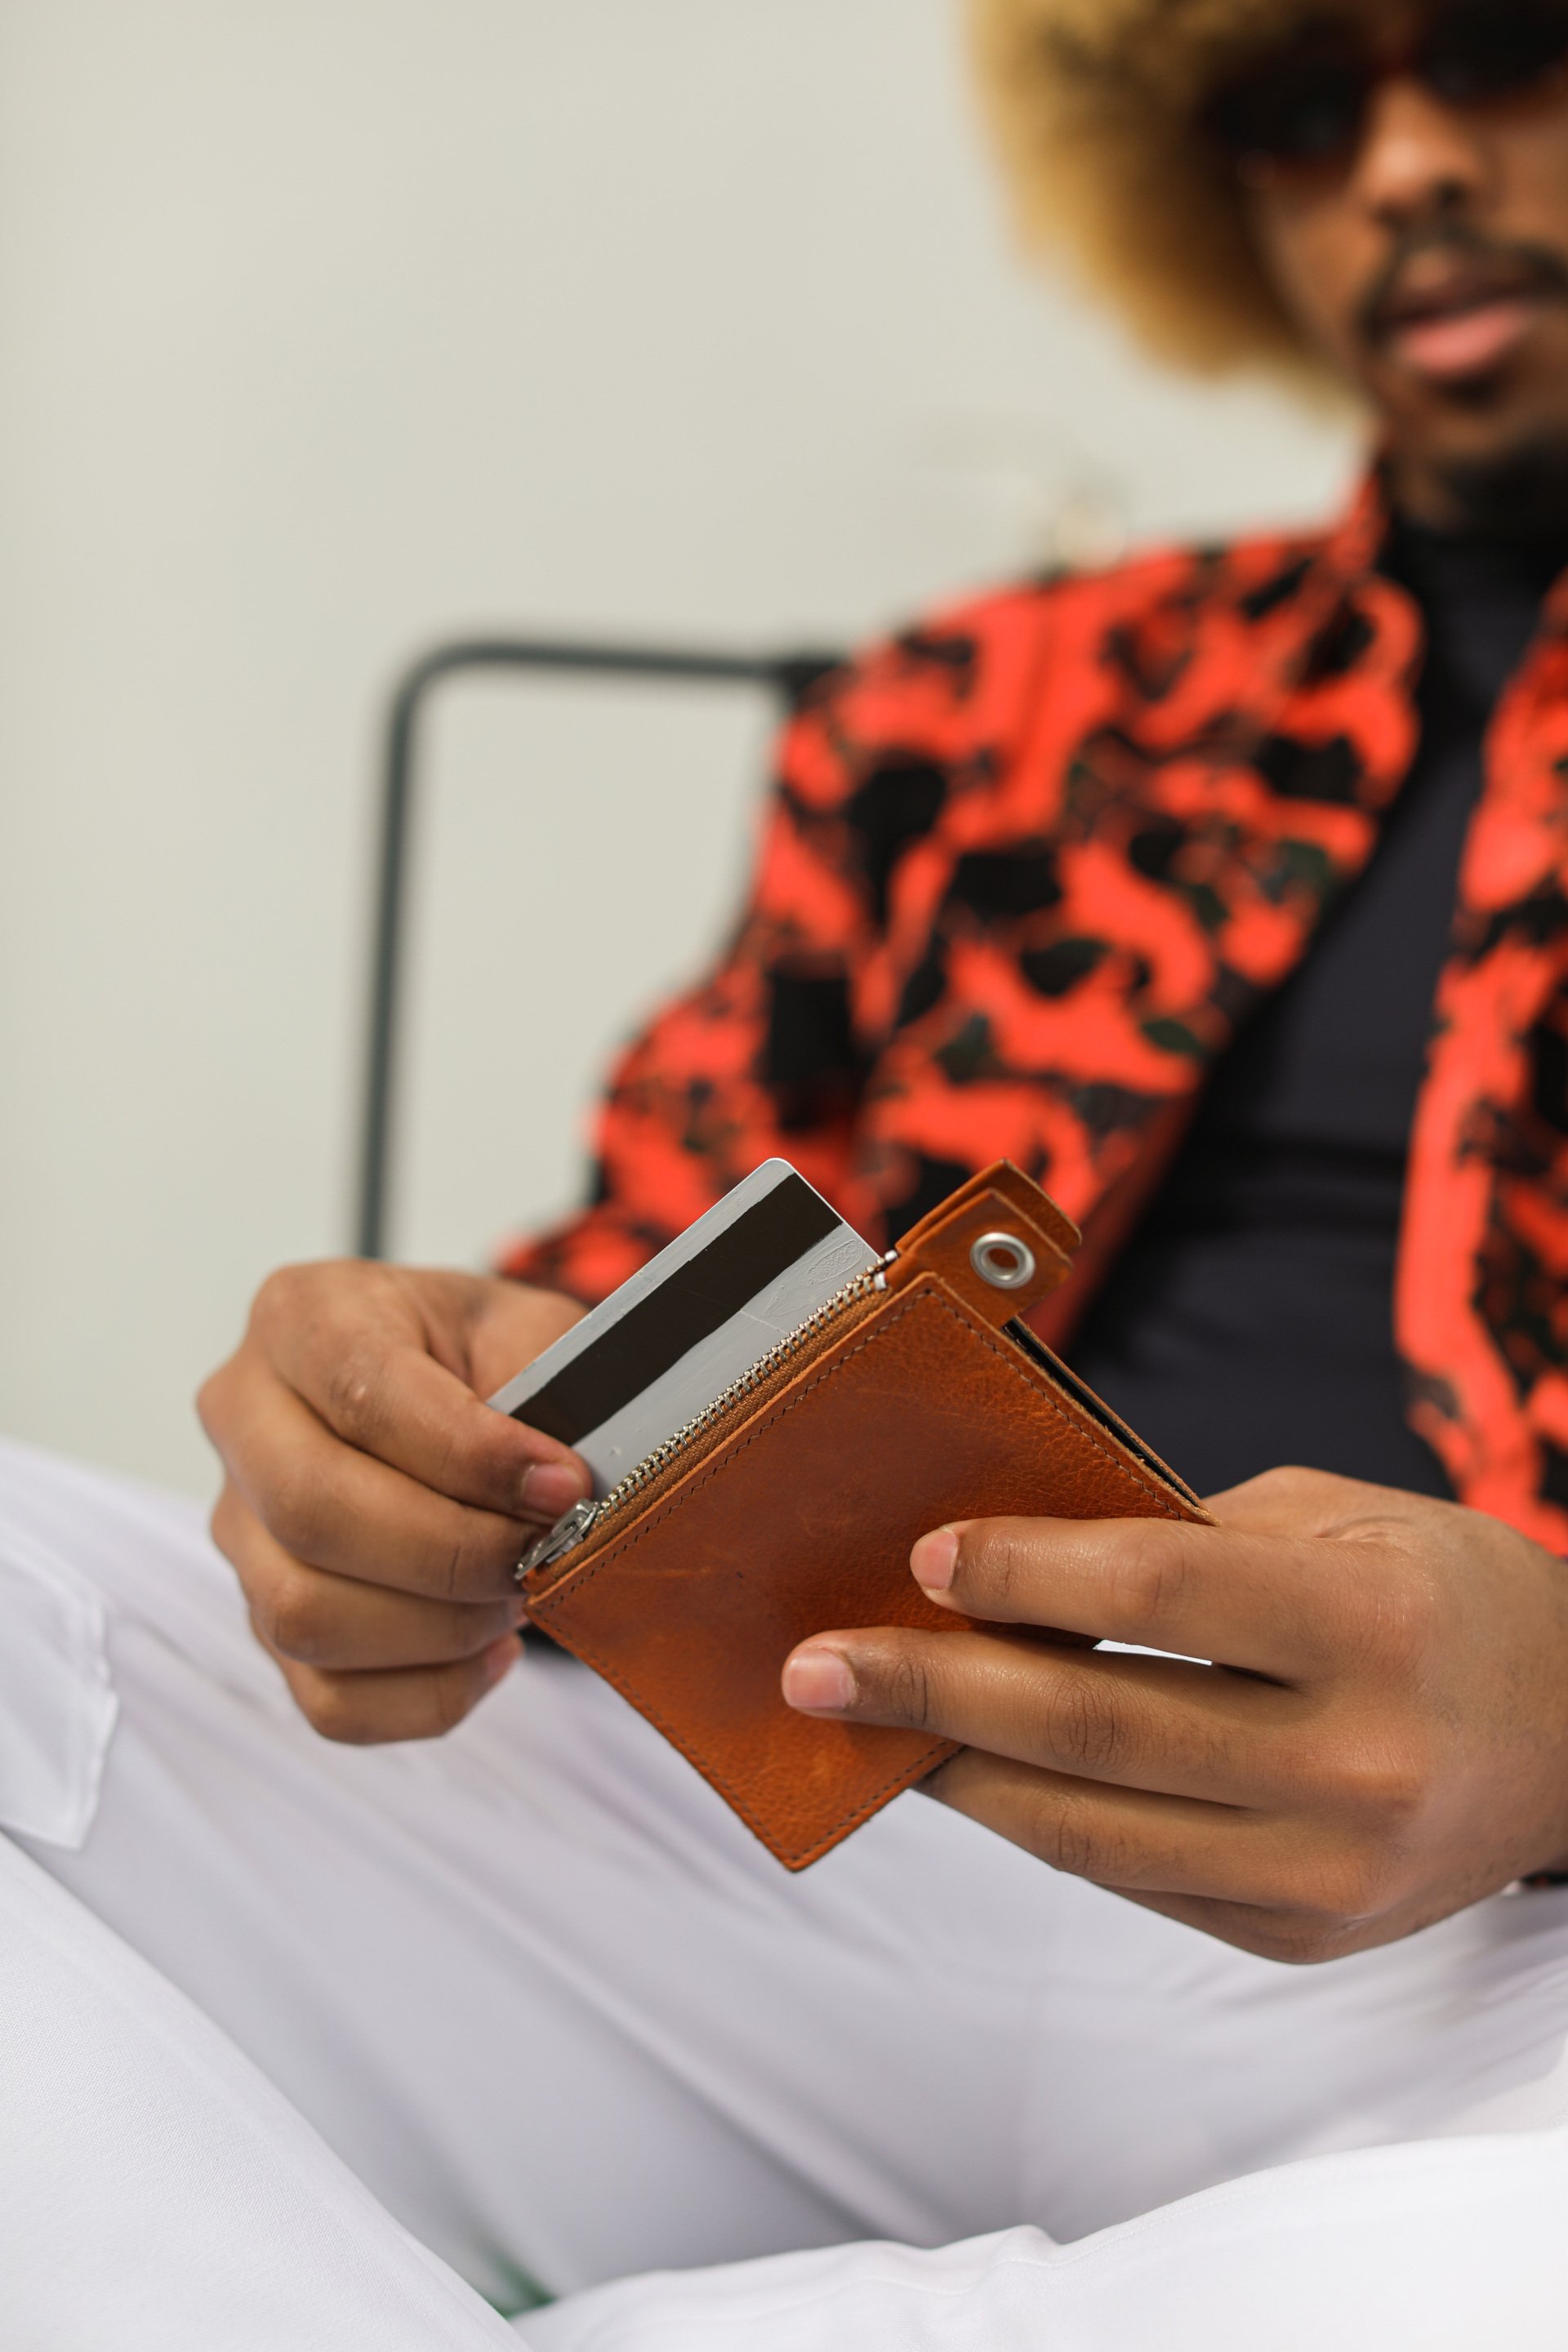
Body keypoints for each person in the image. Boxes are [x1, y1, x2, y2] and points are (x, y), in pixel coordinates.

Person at [8, 1, 1568, 2341]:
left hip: (1496, 1994)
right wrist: (436, 1436)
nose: (1409, 167)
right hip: (791, 1844)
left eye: (1503, 49)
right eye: (1297, 112)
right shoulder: (988, 713)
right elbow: (635, 1288)